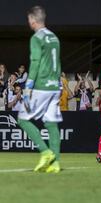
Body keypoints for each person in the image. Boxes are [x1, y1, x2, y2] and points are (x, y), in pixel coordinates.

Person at [17, 6, 62, 173]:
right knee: (51, 123)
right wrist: (58, 83)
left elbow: (35, 62)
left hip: (41, 86)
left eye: (29, 19)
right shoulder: (54, 37)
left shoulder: (37, 38)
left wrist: (28, 86)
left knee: (22, 119)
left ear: (33, 20)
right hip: (54, 86)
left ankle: (45, 152)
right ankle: (55, 163)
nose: (29, 22)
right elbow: (58, 63)